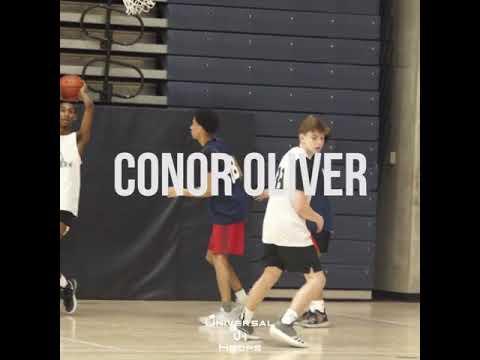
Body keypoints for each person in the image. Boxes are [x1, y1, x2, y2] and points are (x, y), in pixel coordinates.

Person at [230, 115, 330, 347]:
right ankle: (286, 323)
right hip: (289, 227)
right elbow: (300, 206)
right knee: (317, 279)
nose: (318, 142)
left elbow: (280, 186)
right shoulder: (303, 161)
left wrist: (267, 192)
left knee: (270, 274)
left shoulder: (289, 156)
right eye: (313, 137)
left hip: (272, 225)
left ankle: (243, 322)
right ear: (301, 137)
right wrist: (318, 218)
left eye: (322, 138)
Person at [168, 110, 249, 326]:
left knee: (219, 257)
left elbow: (209, 190)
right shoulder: (221, 145)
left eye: (193, 124)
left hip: (227, 210)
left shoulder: (209, 153)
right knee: (212, 257)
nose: (190, 127)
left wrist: (180, 191)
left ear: (202, 128)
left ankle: (227, 311)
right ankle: (243, 299)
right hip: (232, 206)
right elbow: (238, 172)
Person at [60, 82, 94, 314]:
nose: (67, 114)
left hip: (65, 204)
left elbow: (89, 109)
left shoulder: (76, 141)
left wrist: (85, 98)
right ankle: (65, 286)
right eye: (62, 110)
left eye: (71, 111)